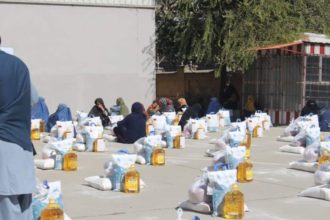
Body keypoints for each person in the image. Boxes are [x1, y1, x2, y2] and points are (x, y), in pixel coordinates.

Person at [0, 36, 37, 219]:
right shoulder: (20, 66)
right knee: (24, 209)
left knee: (6, 210)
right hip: (22, 149)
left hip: (3, 152)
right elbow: (34, 99)